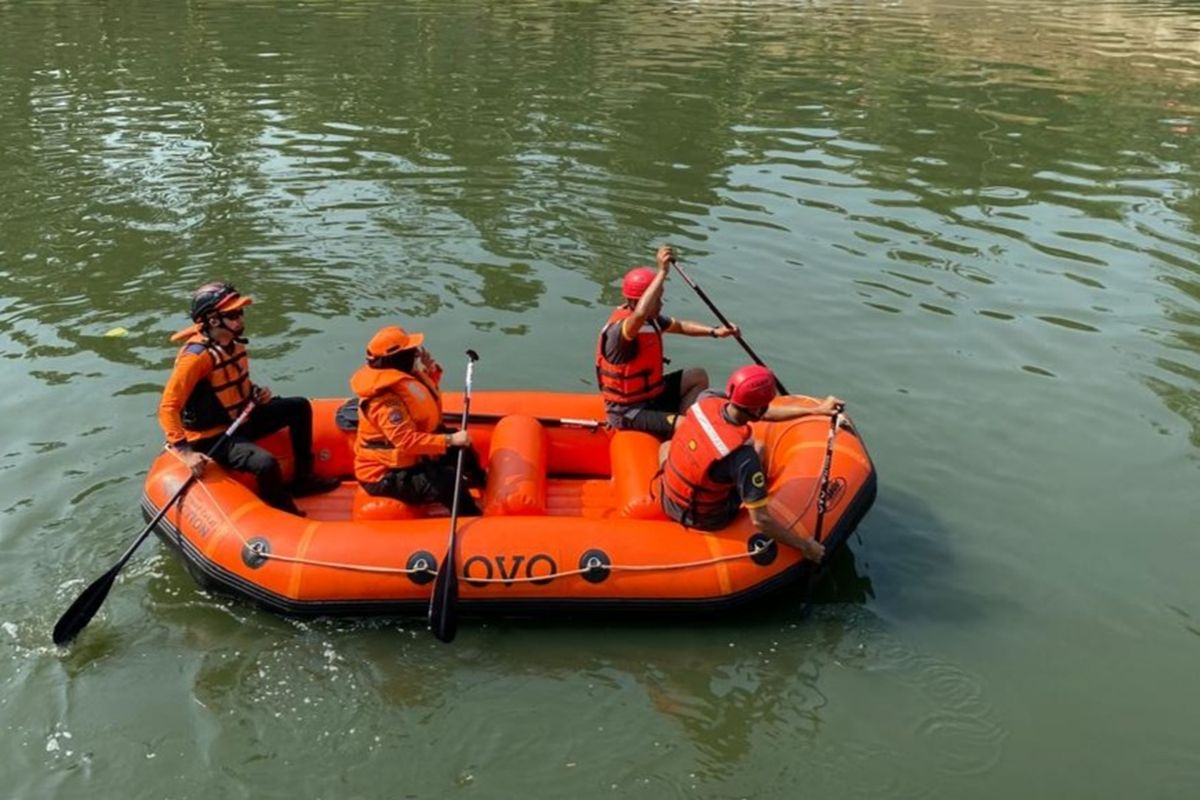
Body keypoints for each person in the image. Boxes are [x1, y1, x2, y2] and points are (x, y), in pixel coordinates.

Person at [158, 281, 339, 515]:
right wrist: (186, 453)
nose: (240, 320)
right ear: (213, 320)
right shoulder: (195, 358)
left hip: (239, 420)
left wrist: (254, 393)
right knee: (265, 463)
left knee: (299, 407)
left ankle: (302, 479)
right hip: (212, 438)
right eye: (233, 315)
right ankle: (282, 511)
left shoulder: (233, 344)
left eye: (240, 313)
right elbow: (168, 406)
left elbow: (230, 384)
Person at [657, 364, 841, 561]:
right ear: (758, 409)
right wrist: (805, 546)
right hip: (705, 518)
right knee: (759, 448)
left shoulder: (707, 399)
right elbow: (761, 521)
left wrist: (817, 410)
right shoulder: (744, 458)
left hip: (669, 499)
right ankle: (757, 494)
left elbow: (760, 412)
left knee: (667, 445)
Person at [595, 245, 740, 440]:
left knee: (697, 375)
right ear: (639, 302)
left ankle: (679, 427)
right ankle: (683, 431)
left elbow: (680, 326)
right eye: (657, 299)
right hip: (629, 411)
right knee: (687, 426)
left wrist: (715, 331)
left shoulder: (651, 321)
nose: (662, 304)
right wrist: (662, 272)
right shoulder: (621, 332)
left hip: (652, 396)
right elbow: (640, 314)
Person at [349, 325, 485, 515]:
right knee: (448, 480)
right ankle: (472, 517)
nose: (416, 354)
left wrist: (430, 372)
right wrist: (448, 440)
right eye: (411, 352)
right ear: (397, 359)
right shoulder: (385, 402)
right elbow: (405, 441)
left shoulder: (402, 379)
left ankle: (481, 482)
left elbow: (420, 399)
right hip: (385, 474)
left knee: (459, 447)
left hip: (411, 458)